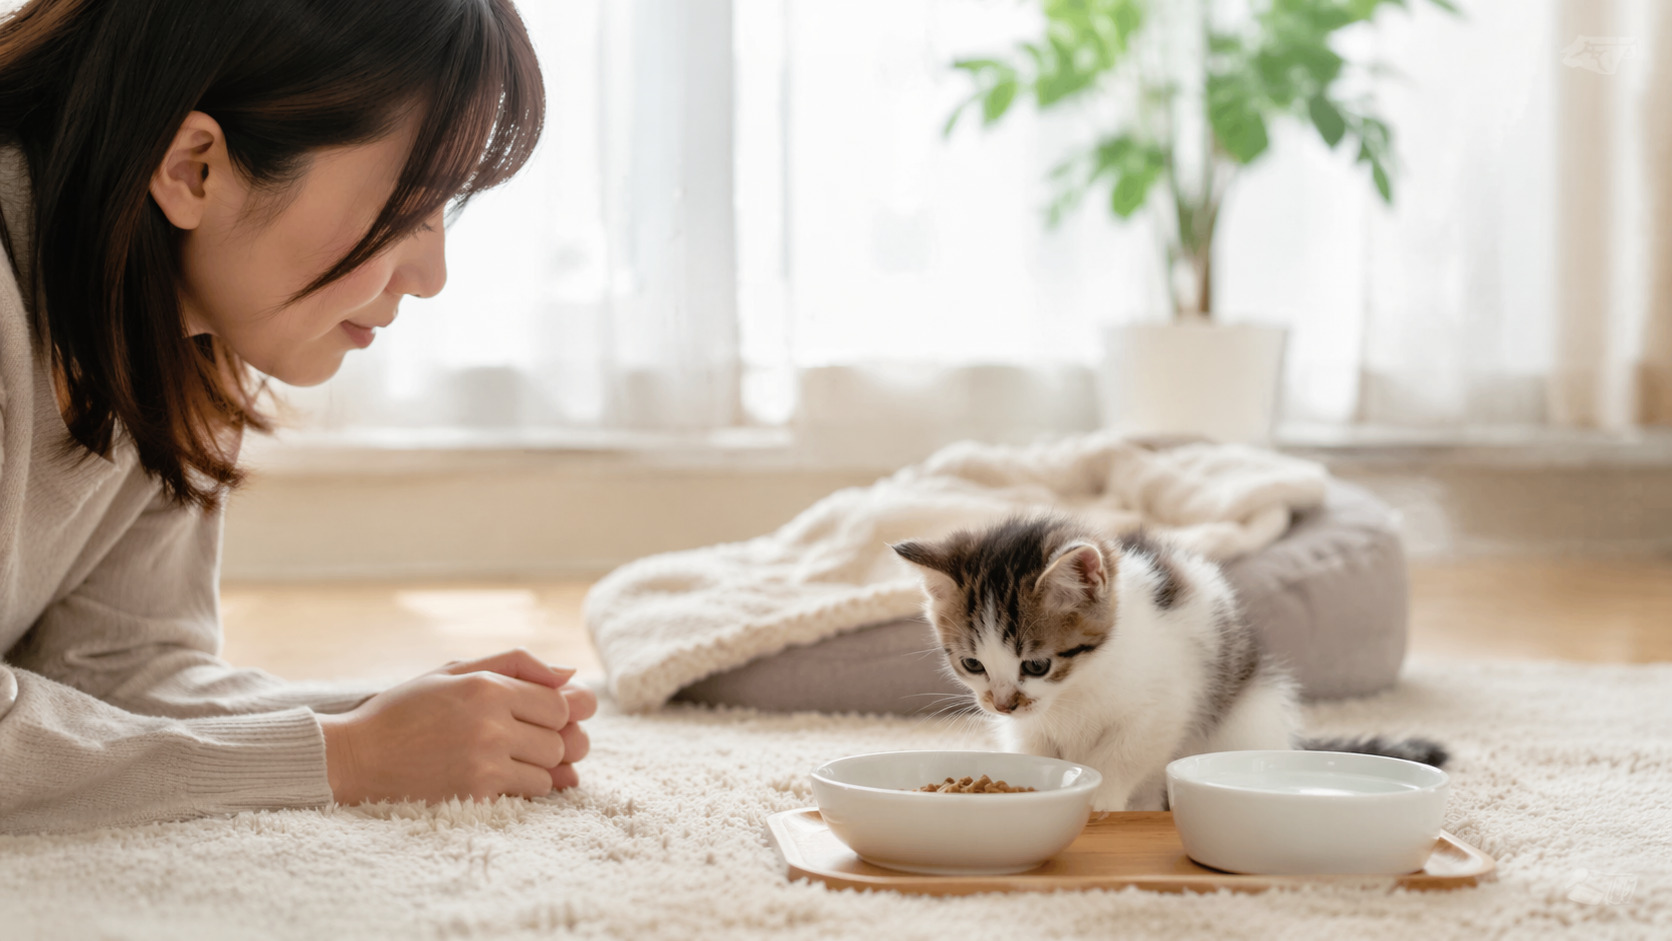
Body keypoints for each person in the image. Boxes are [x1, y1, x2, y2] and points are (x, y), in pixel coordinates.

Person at [0, 0, 596, 834]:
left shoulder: (180, 324)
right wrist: (347, 756)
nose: (432, 274)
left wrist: (393, 715)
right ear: (194, 169)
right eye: (410, 205)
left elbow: (116, 664)